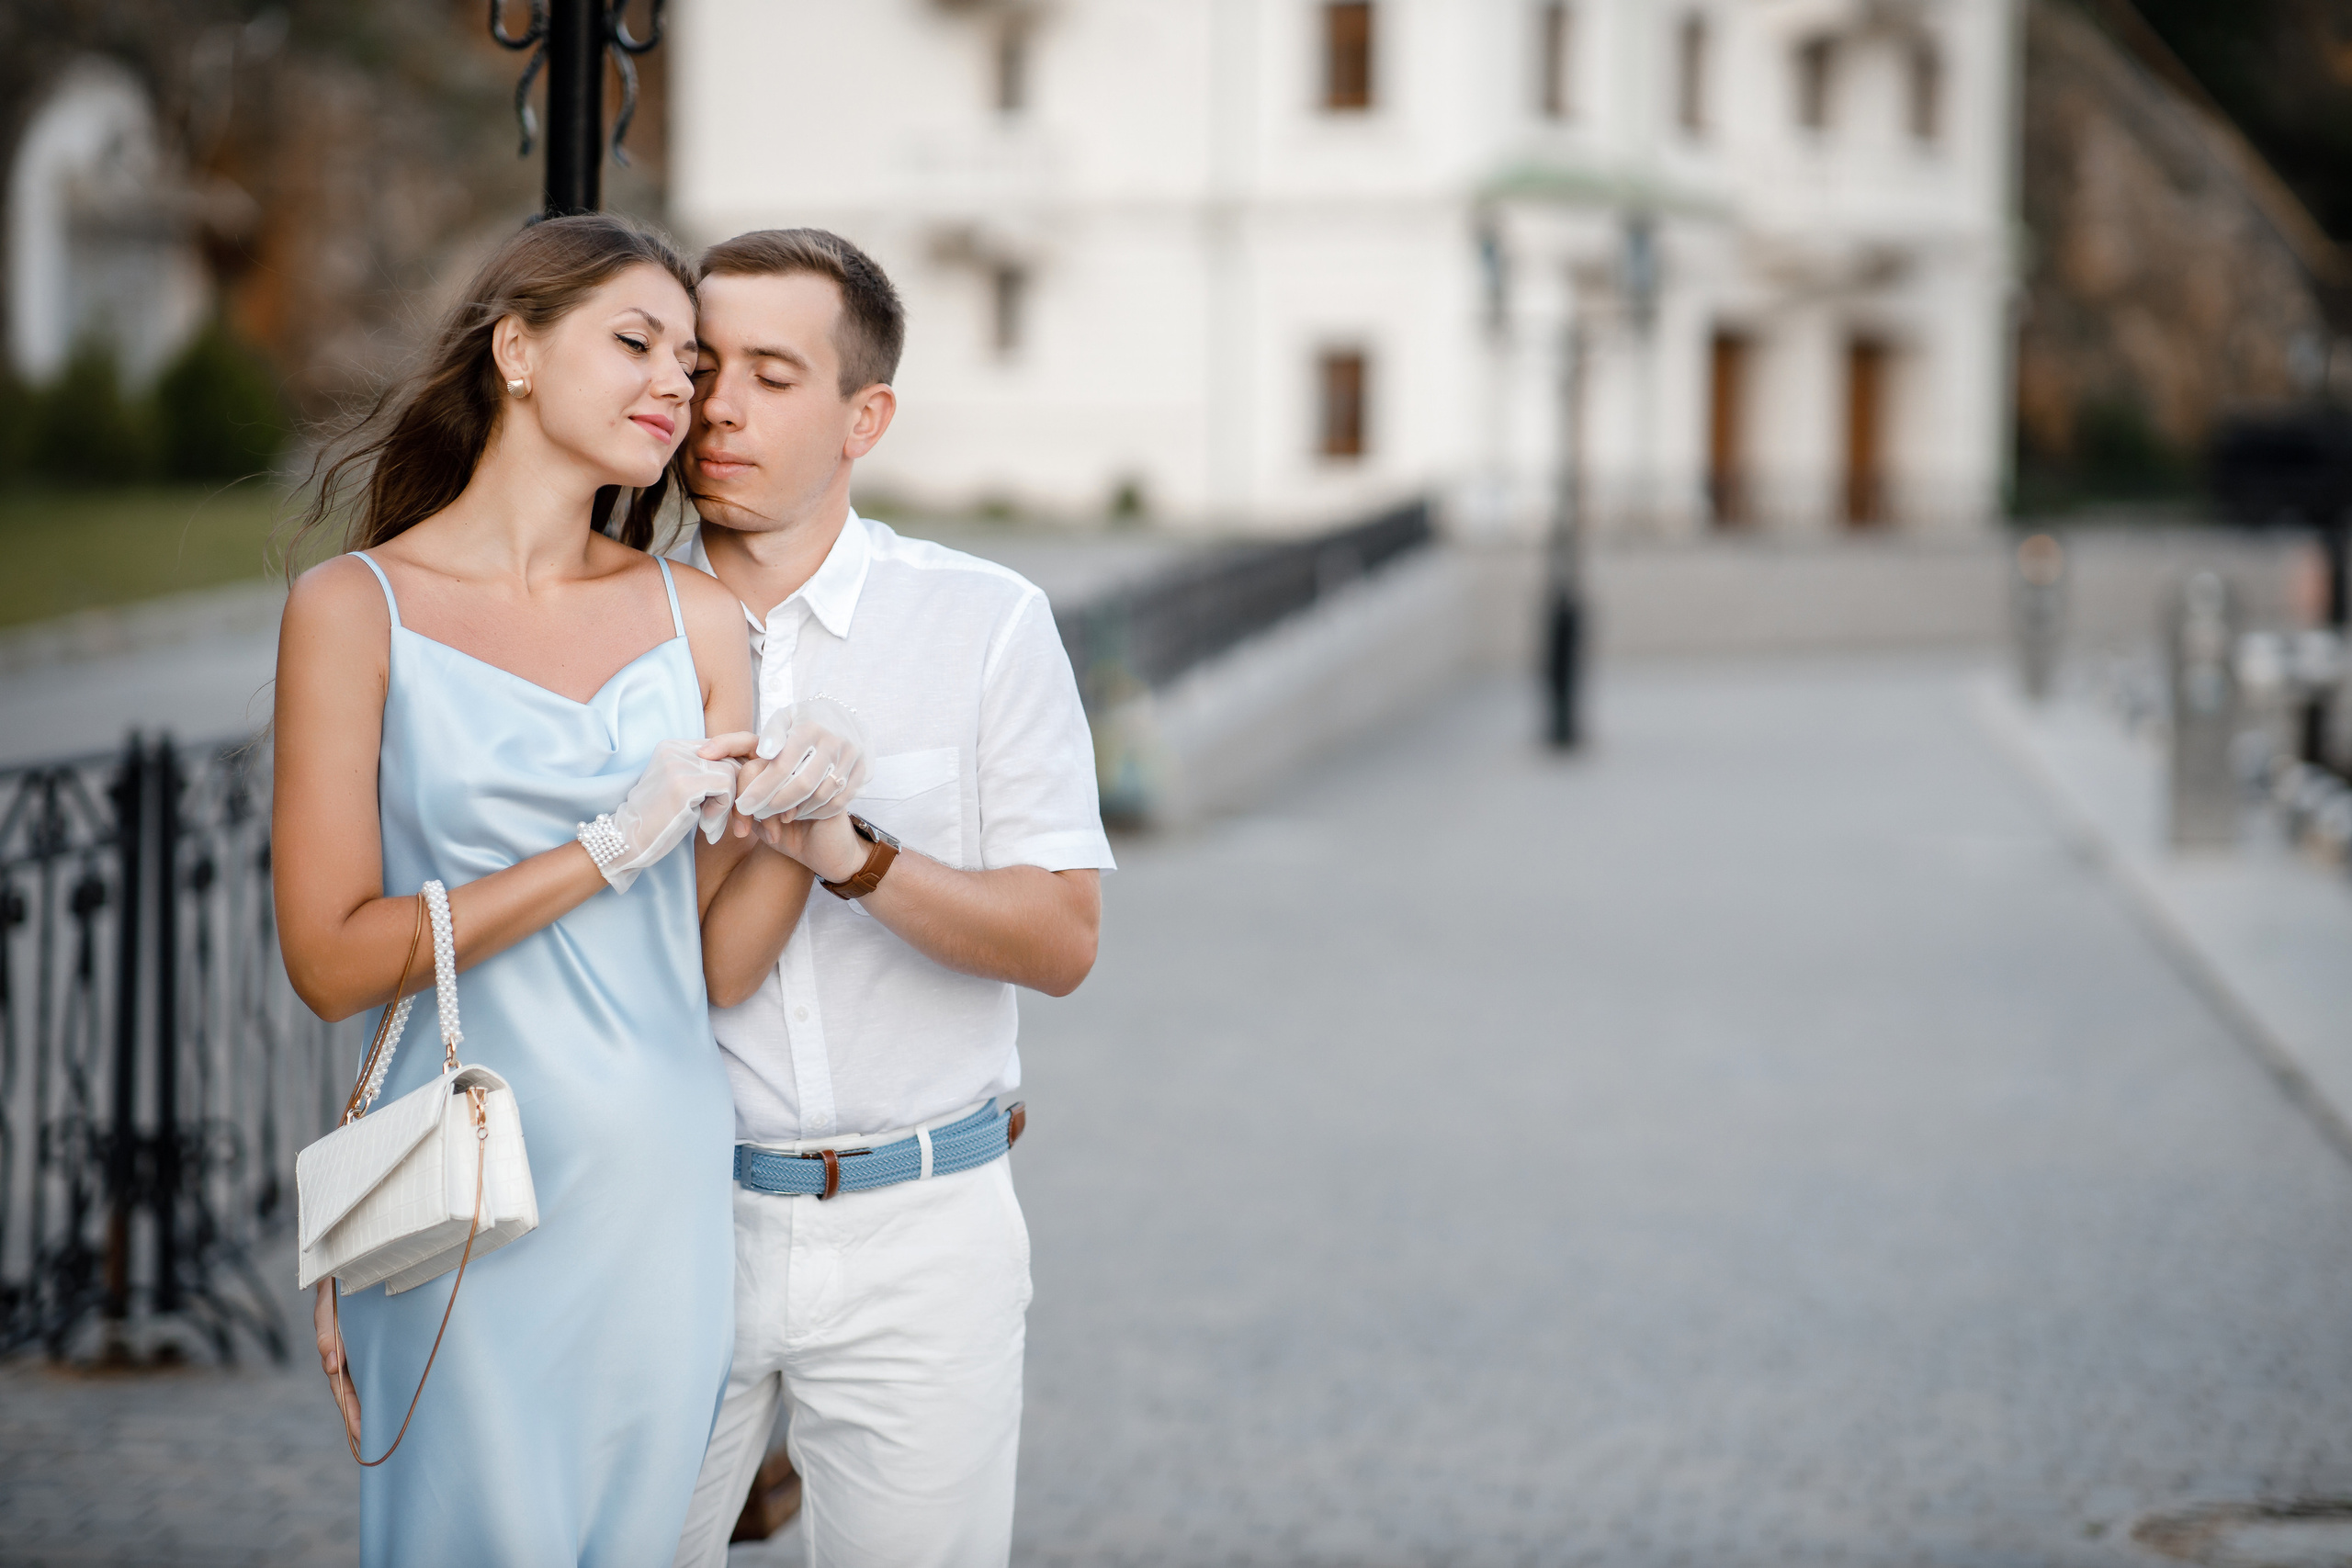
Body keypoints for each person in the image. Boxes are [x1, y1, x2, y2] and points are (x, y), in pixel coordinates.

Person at [274, 214, 808, 1565]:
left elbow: (711, 966)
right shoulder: (354, 609)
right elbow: (332, 958)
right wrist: (602, 853)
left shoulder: (696, 620)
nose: (677, 387)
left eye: (689, 364)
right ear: (515, 349)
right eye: (635, 343)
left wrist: (811, 832)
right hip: (466, 1193)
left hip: (655, 1186)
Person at [670, 228, 1114, 1568]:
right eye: (701, 366)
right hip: (670, 1225)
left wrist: (850, 856)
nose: (719, 405)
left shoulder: (985, 623)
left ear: (866, 416)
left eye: (770, 372)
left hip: (925, 1226)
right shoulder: (612, 625)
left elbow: (1060, 939)